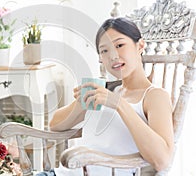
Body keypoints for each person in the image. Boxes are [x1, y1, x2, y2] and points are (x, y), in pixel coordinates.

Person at [38, 18, 174, 176]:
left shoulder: (154, 96)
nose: (113, 56)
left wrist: (118, 103)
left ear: (140, 45)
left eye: (119, 45)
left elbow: (161, 160)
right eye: (104, 50)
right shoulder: (106, 90)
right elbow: (54, 125)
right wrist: (80, 105)